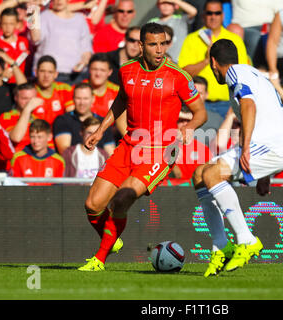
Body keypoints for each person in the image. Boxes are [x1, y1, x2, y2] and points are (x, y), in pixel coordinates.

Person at [77, 22, 206, 271]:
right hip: (128, 147)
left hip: (160, 151)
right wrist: (101, 130)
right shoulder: (126, 71)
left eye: (163, 44)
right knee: (92, 205)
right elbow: (121, 101)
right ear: (140, 46)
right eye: (153, 44)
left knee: (122, 198)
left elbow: (200, 113)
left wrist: (187, 129)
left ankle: (99, 259)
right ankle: (111, 238)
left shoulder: (178, 76)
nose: (159, 50)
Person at [192, 39, 283, 277]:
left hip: (268, 146)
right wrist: (264, 173)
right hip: (269, 145)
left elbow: (249, 106)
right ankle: (221, 245)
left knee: (212, 174)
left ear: (213, 62)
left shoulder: (235, 73)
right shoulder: (251, 72)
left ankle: (246, 239)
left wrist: (246, 147)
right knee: (199, 175)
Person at [178, 0, 248, 119]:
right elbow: (183, 74)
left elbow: (243, 73)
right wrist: (206, 60)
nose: (213, 17)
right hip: (199, 103)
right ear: (203, 15)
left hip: (227, 103)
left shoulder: (235, 40)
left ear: (223, 15)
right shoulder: (191, 39)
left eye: (217, 13)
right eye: (209, 13)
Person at [29, 0, 93, 85]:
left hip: (77, 75)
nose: (59, 1)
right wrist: (33, 13)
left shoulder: (80, 19)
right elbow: (35, 38)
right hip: (51, 75)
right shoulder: (44, 16)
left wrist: (83, 63)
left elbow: (86, 49)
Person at [53, 82, 116, 156]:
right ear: (73, 99)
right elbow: (65, 152)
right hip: (73, 165)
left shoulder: (103, 123)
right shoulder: (63, 120)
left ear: (93, 99)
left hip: (100, 165)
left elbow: (111, 154)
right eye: (78, 98)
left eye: (85, 98)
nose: (82, 102)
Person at [226, 0, 283, 67]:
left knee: (276, 36)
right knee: (255, 37)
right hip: (245, 27)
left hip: (269, 26)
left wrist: (274, 26)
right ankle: (252, 69)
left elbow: (282, 11)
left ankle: (274, 69)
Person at [10, 119, 65, 185]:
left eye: (39, 137)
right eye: (32, 137)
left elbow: (59, 190)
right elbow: (13, 186)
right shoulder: (18, 158)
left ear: (49, 137)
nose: (35, 141)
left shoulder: (58, 161)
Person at [0, 82, 47, 152]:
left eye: (32, 99)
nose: (29, 102)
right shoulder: (6, 116)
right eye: (24, 98)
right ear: (15, 98)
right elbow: (16, 138)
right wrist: (27, 109)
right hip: (17, 158)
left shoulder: (40, 115)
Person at [0, 7, 29, 83]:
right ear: (0, 24)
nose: (8, 27)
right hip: (4, 84)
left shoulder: (24, 41)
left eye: (11, 24)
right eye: (5, 23)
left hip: (20, 83)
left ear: (17, 24)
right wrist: (1, 74)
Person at [34, 55, 74, 126]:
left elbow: (71, 116)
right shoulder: (30, 91)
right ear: (36, 72)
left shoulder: (64, 89)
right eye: (42, 71)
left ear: (56, 74)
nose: (46, 75)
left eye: (50, 72)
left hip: (60, 132)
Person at [85, 53, 119, 118]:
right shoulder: (78, 90)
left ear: (110, 72)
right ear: (89, 70)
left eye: (102, 70)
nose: (98, 74)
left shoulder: (118, 92)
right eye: (94, 69)